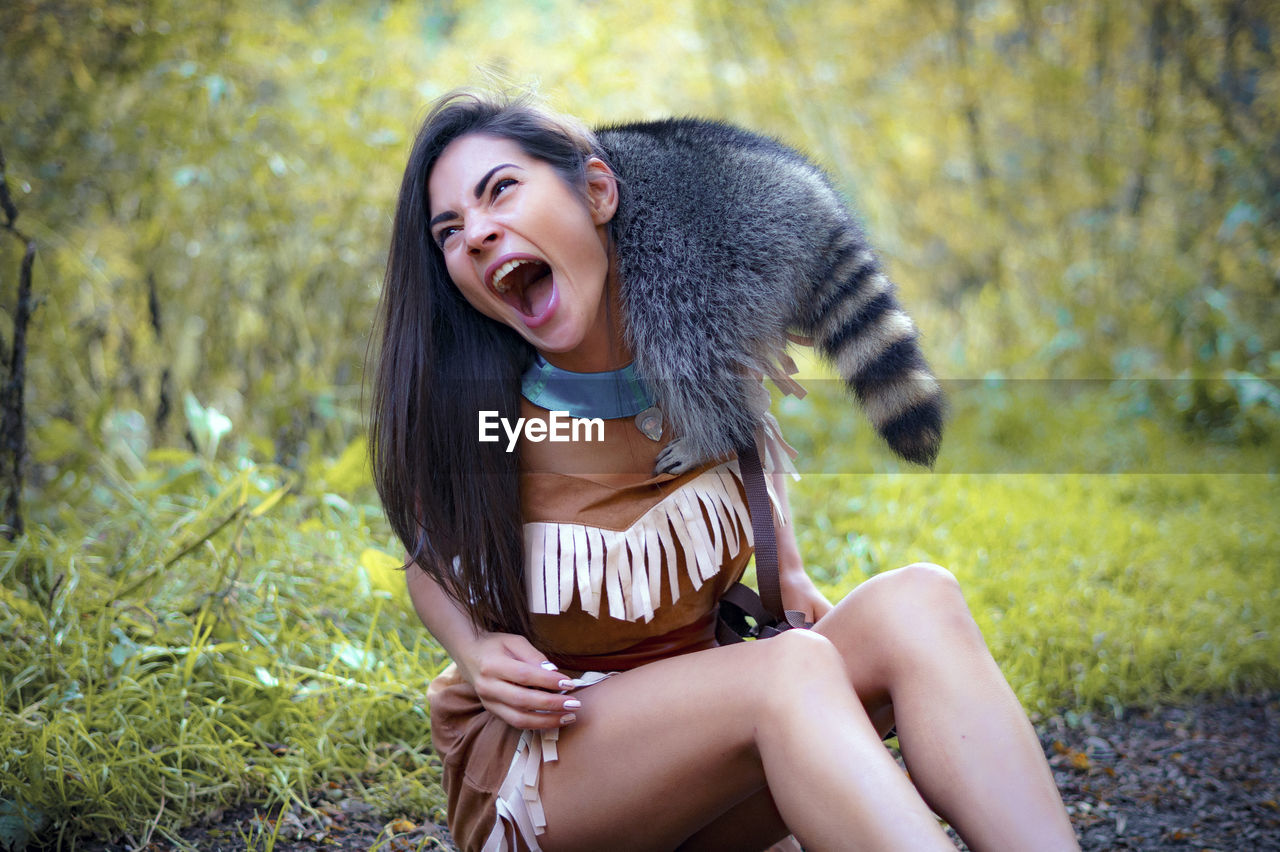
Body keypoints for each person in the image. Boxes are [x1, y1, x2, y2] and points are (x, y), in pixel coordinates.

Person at [369, 91, 1079, 852]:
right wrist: (472, 653)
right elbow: (428, 562)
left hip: (707, 763)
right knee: (788, 671)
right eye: (449, 230)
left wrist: (792, 572)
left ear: (598, 193)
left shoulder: (699, 370)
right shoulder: (491, 420)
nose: (476, 232)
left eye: (501, 189)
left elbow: (751, 471)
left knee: (920, 602)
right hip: (554, 780)